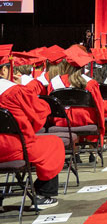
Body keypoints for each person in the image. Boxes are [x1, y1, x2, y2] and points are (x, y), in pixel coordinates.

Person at [0, 47, 62, 209]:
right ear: (4, 69)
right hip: (12, 147)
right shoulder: (14, 91)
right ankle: (44, 194)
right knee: (53, 143)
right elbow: (38, 113)